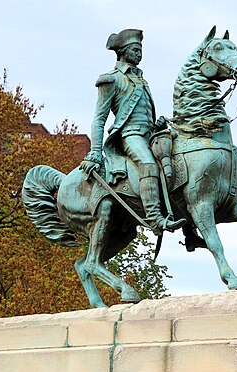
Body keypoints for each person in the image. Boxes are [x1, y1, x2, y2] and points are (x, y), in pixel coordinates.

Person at [79, 28, 185, 235]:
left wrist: (157, 124)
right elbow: (99, 119)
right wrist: (94, 151)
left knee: (179, 164)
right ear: (123, 51)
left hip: (149, 135)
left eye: (141, 50)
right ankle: (155, 219)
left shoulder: (142, 81)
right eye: (135, 49)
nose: (139, 54)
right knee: (148, 164)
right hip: (130, 136)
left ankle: (190, 227)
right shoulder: (111, 79)